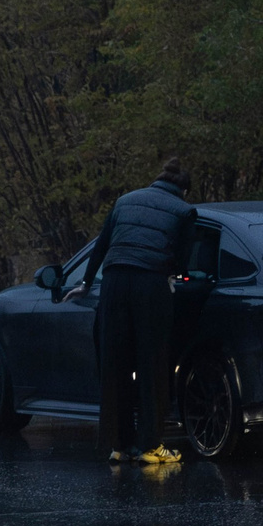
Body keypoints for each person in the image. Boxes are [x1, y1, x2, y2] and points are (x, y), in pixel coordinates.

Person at [82, 159, 198, 465]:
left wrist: (84, 283)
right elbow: (183, 261)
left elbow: (101, 246)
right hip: (150, 285)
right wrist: (178, 277)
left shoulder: (125, 200)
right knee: (152, 364)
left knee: (115, 363)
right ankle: (151, 446)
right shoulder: (184, 211)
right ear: (183, 189)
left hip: (114, 282)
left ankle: (119, 445)